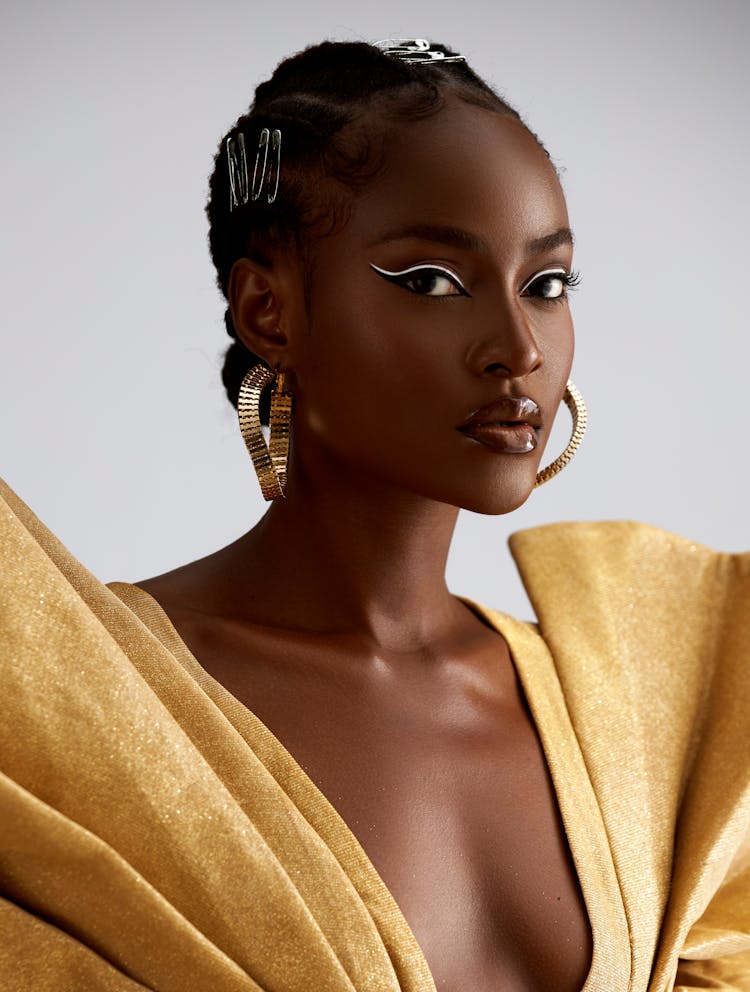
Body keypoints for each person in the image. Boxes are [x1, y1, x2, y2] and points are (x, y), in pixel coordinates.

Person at [0, 38, 748, 992]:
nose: (518, 349)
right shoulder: (77, 707)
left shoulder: (653, 722)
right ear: (269, 312)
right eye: (434, 280)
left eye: (546, 285)